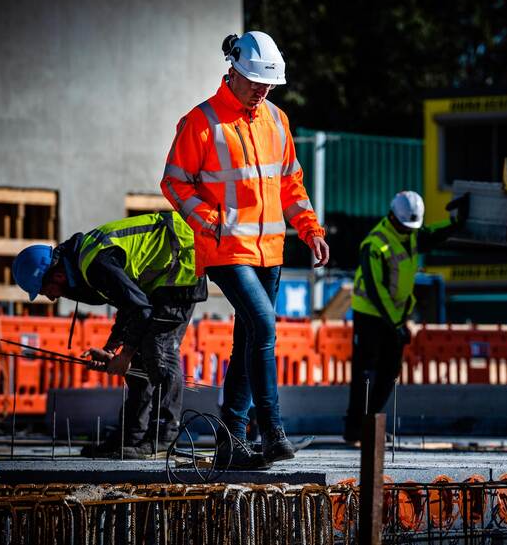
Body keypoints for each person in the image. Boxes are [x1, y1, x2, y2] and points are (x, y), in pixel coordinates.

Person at [160, 31, 329, 469]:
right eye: (255, 81)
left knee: (249, 339)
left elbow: (290, 184)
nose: (262, 90)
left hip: (270, 251)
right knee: (264, 326)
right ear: (232, 72)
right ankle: (272, 431)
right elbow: (174, 182)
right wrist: (208, 221)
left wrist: (310, 230)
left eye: (268, 84)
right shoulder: (201, 122)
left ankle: (231, 439)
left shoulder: (277, 120)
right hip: (226, 250)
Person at [12, 211, 207, 458]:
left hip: (181, 263)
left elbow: (139, 308)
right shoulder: (85, 264)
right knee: (142, 360)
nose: (50, 297)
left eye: (45, 290)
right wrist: (112, 349)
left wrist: (124, 355)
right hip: (162, 273)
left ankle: (163, 437)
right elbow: (129, 304)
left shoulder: (95, 265)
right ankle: (131, 436)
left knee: (160, 350)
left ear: (58, 275)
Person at [343, 191, 460, 445]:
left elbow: (431, 235)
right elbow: (376, 290)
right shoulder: (375, 244)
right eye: (405, 226)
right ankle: (354, 429)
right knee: (365, 372)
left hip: (395, 316)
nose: (409, 231)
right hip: (370, 314)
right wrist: (396, 324)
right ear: (393, 217)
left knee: (389, 370)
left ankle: (371, 425)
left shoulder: (411, 236)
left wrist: (456, 223)